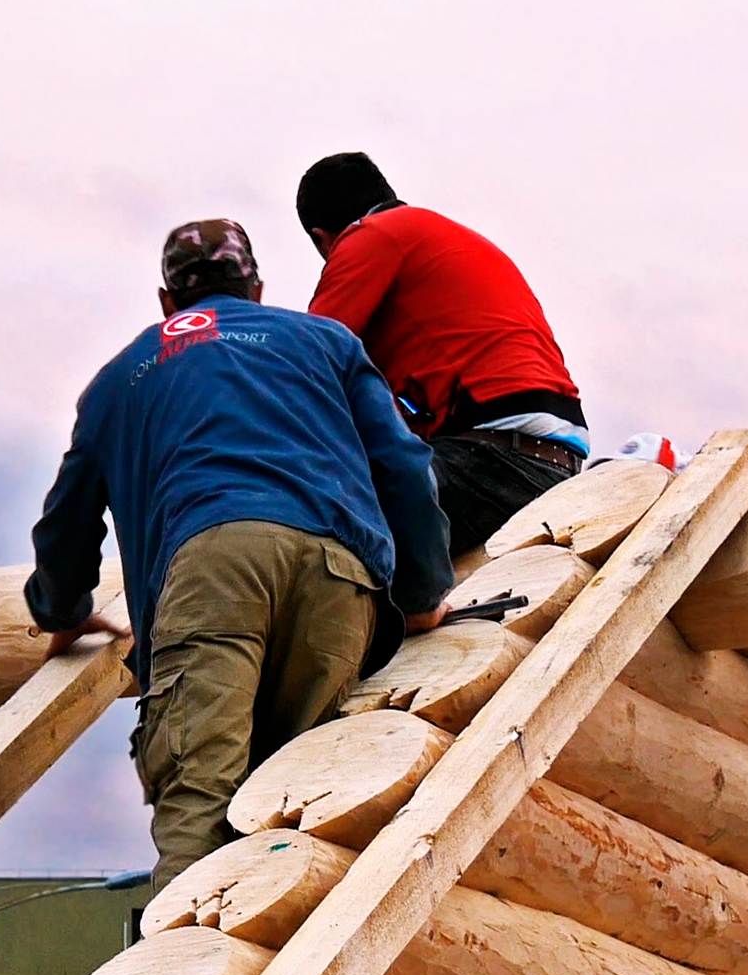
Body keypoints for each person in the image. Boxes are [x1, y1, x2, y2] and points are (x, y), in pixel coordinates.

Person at [24, 218, 454, 891]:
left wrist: (64, 608)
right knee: (307, 807)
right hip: (339, 573)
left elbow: (67, 522)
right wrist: (425, 595)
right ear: (255, 287)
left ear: (167, 301)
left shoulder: (119, 380)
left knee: (202, 803)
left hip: (210, 567)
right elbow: (402, 465)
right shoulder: (323, 342)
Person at [298, 152, 588, 557]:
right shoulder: (442, 240)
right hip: (558, 460)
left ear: (323, 238)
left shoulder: (372, 235)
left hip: (492, 458)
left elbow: (301, 365)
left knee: (304, 532)